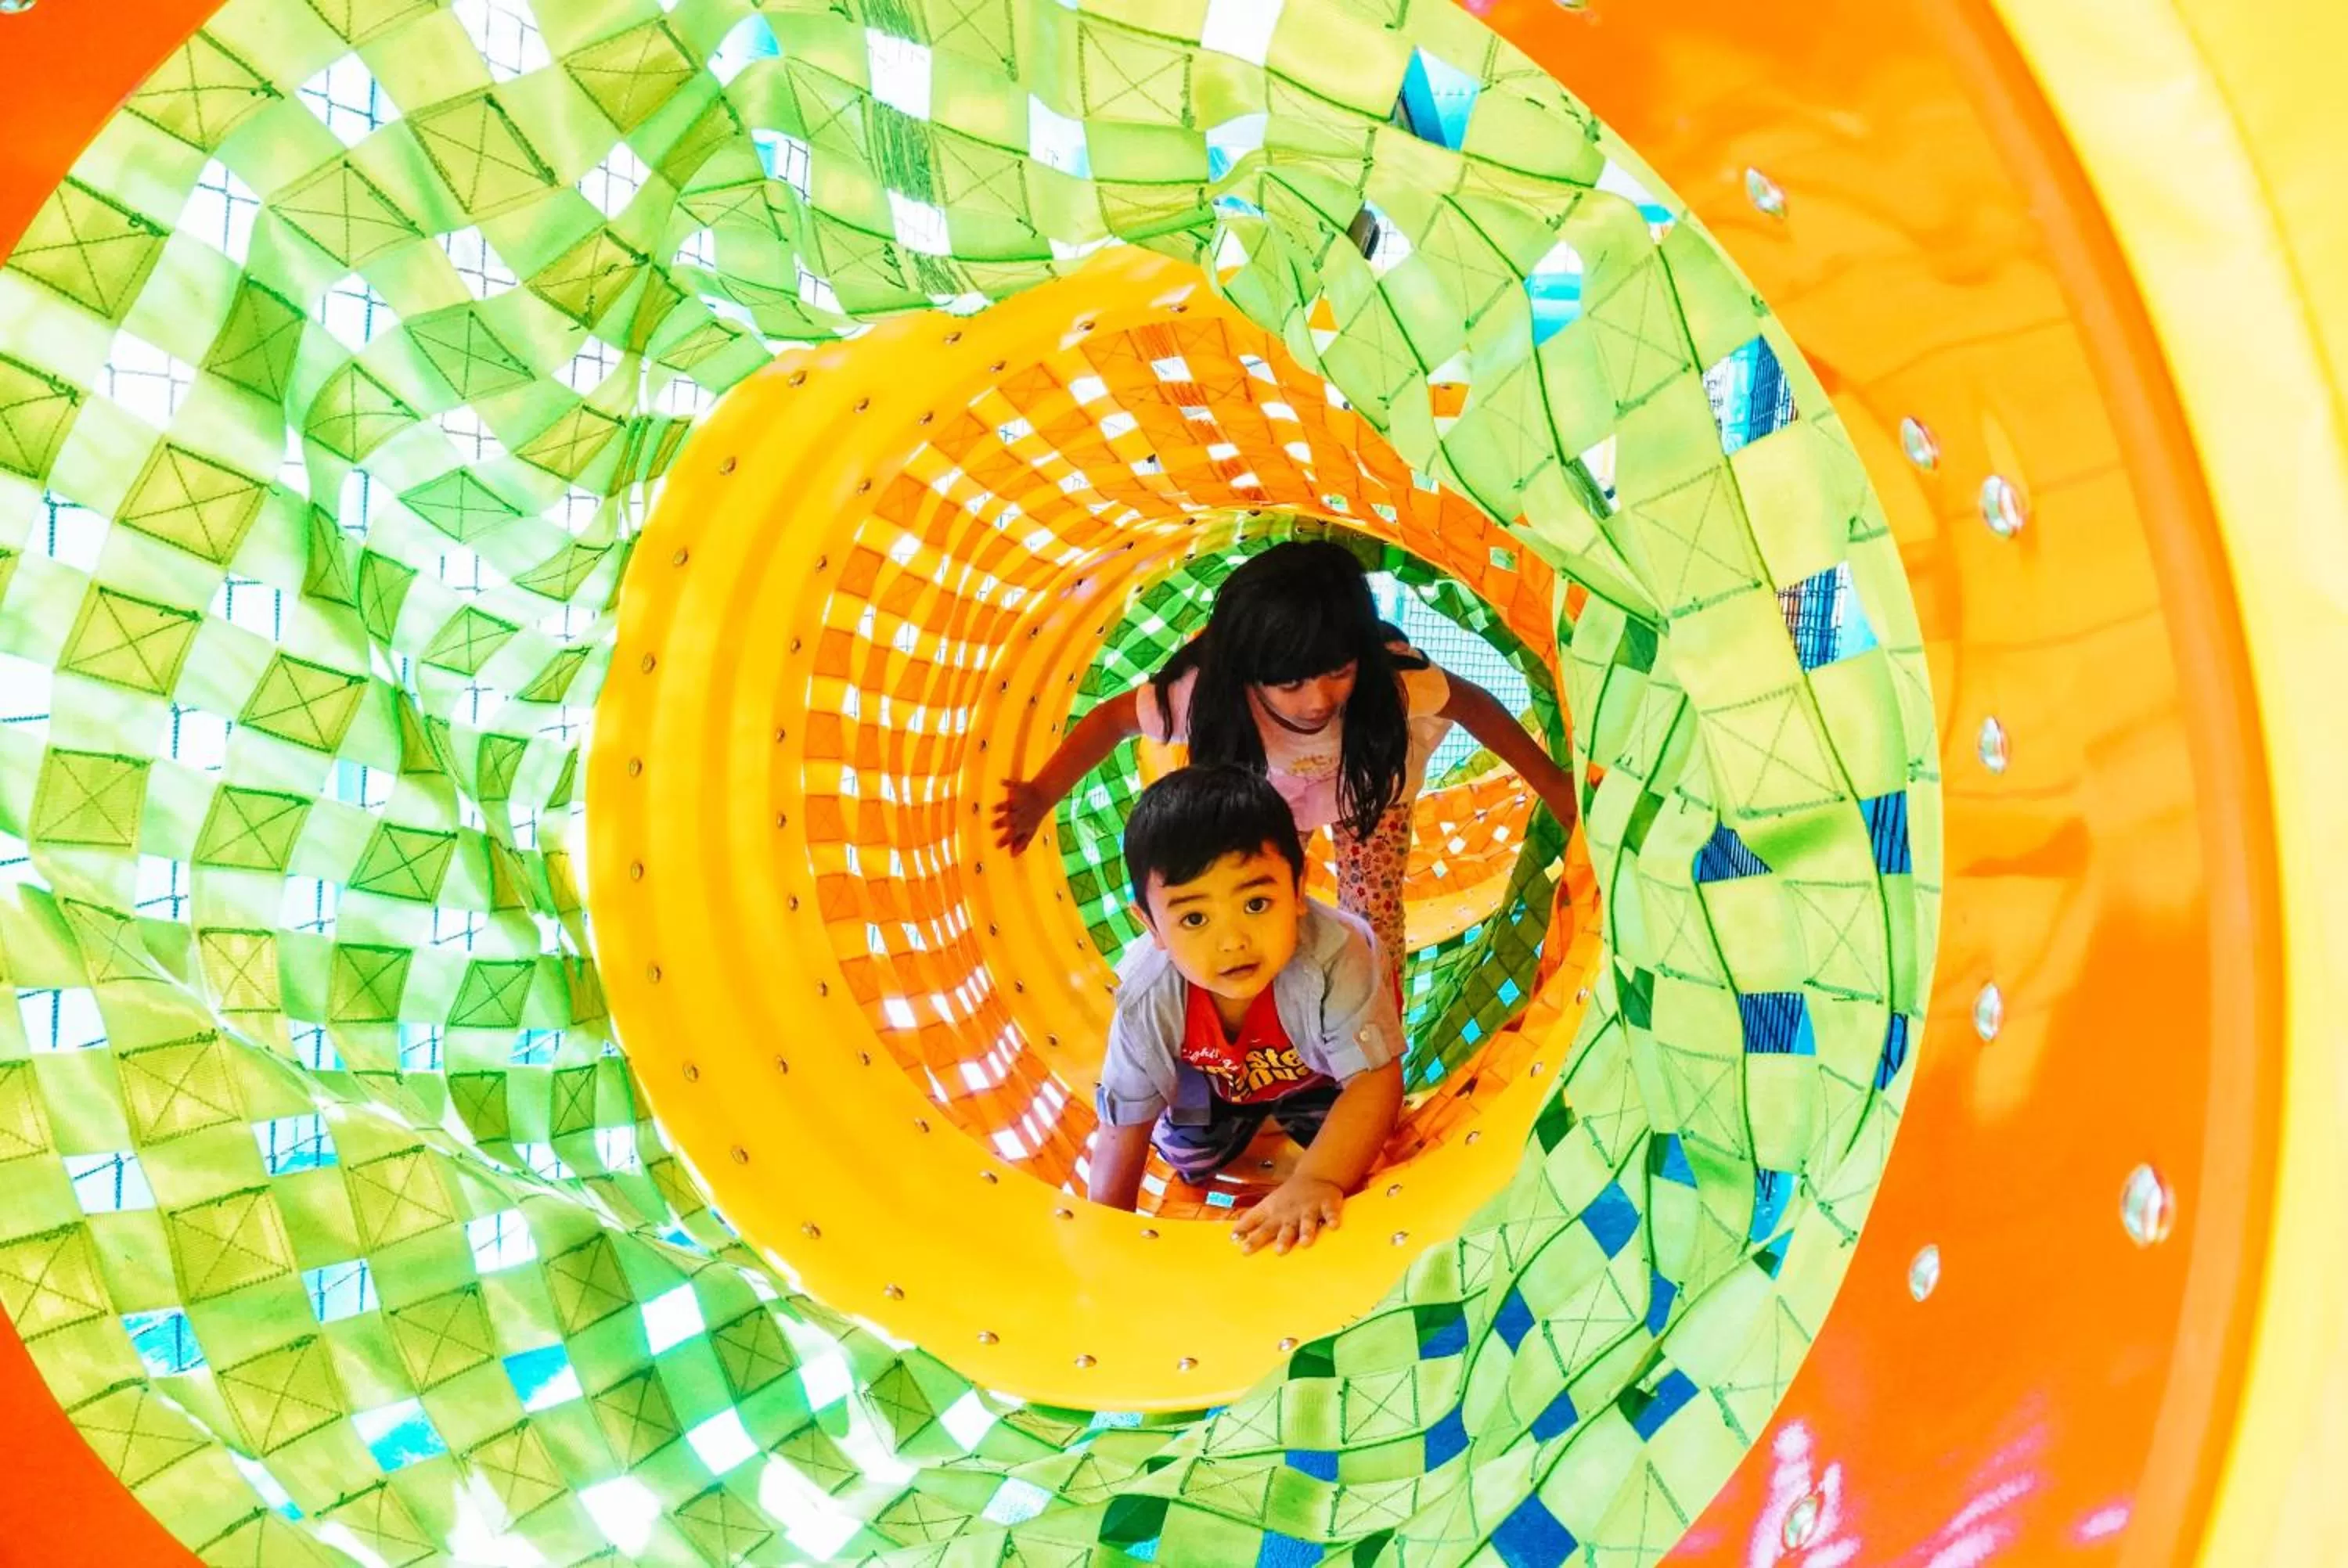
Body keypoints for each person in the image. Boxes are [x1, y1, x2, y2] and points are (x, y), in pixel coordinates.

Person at [994, 538, 1578, 990]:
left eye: (1338, 672)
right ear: (1248, 669)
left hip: (1369, 789)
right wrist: (1042, 795)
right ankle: (1279, 1009)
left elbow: (1473, 704)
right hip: (1268, 798)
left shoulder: (1390, 682)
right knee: (1259, 897)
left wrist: (1552, 781)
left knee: (1374, 912)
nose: (1319, 699)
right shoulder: (1204, 693)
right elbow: (1111, 720)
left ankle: (1377, 1020)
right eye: (1291, 682)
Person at [1089, 766, 1404, 1254]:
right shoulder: (1147, 993)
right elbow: (1122, 1124)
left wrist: (1318, 1178)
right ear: (1151, 925)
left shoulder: (1338, 955)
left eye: (1256, 903)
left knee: (1361, 1149)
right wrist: (1108, 1244)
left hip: (1319, 1076)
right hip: (1208, 1080)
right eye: (1194, 918)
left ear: (1298, 890)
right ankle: (1224, 1124)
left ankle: (1297, 1124)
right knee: (1188, 1156)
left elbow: (1374, 1082)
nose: (1233, 941)